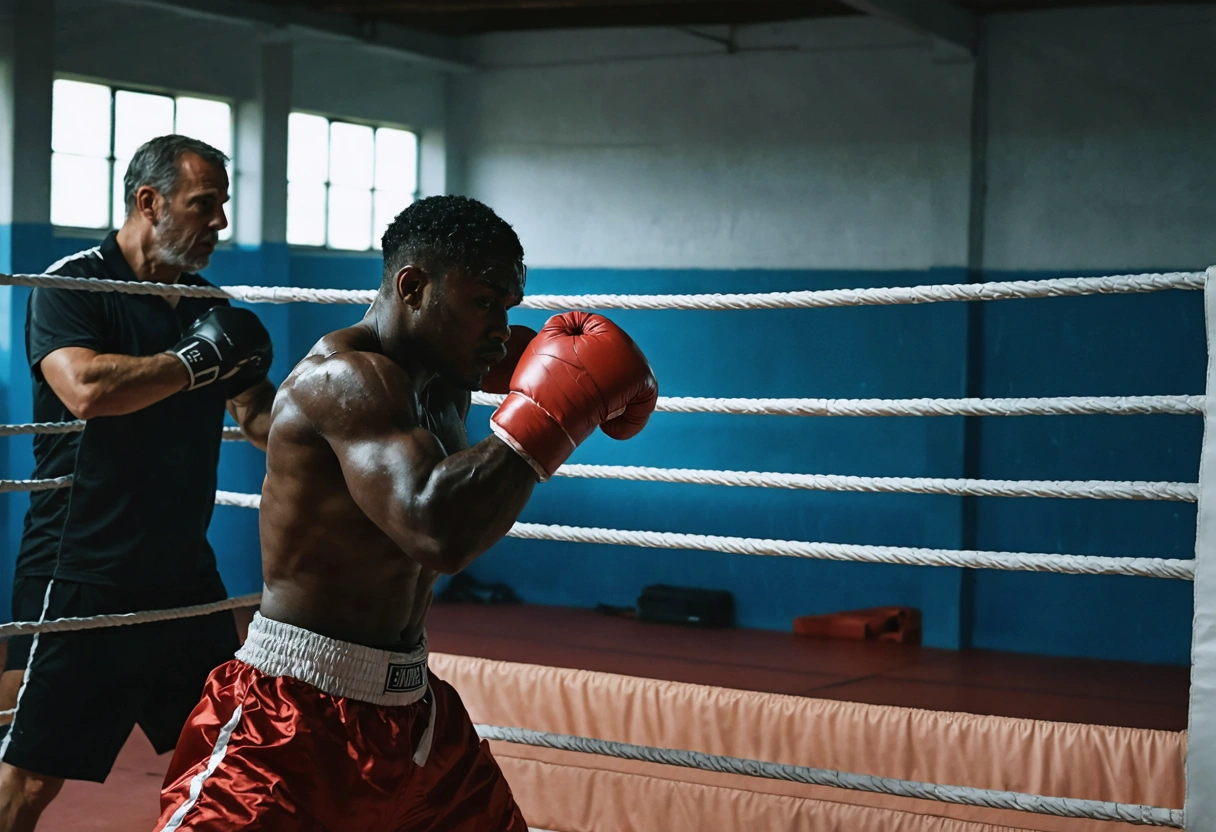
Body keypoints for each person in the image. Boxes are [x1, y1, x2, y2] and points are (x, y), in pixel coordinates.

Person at [154, 195, 658, 831]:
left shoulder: (444, 378)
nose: (501, 329)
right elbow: (436, 530)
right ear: (413, 286)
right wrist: (545, 415)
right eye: (484, 303)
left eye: (509, 308)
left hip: (412, 712)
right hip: (292, 714)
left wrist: (533, 376)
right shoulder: (345, 379)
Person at [0, 135, 277, 832]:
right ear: (149, 203)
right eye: (203, 204)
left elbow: (261, 417)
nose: (219, 222)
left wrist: (348, 401)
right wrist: (193, 361)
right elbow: (86, 388)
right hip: (82, 570)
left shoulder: (211, 306)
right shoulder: (76, 283)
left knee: (234, 750)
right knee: (30, 779)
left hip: (182, 576)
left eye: (222, 204)